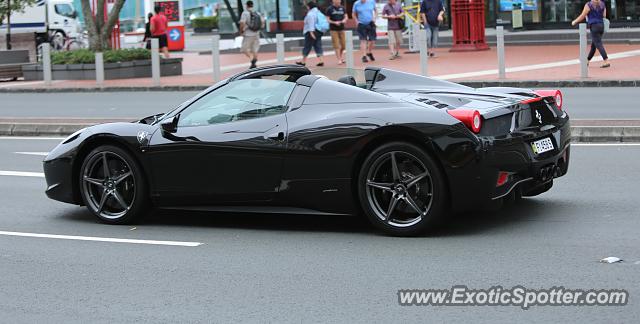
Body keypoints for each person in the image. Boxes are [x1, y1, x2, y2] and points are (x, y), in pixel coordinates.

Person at [572, 0, 610, 68]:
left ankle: (606, 60)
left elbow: (582, 15)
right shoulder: (602, 4)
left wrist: (575, 21)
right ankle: (587, 60)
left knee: (598, 43)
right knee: (594, 45)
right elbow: (604, 16)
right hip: (601, 26)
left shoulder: (589, 5)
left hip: (594, 26)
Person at [296, 2, 325, 67]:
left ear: (309, 7)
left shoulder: (310, 14)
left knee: (307, 46)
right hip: (318, 31)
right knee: (318, 46)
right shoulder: (318, 12)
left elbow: (311, 24)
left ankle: (303, 61)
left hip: (310, 32)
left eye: (307, 6)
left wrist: (311, 33)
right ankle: (321, 60)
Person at [239, 1, 263, 69]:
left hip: (248, 34)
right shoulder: (257, 13)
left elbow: (242, 23)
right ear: (252, 5)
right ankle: (254, 63)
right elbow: (262, 23)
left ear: (246, 5)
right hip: (257, 34)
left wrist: (241, 31)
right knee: (254, 49)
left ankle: (252, 60)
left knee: (244, 49)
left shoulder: (245, 13)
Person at [326, 0, 348, 64]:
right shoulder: (329, 9)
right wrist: (334, 22)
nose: (338, 3)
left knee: (344, 45)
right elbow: (327, 19)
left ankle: (340, 56)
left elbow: (346, 16)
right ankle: (339, 59)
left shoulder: (342, 8)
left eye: (339, 2)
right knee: (336, 45)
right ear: (333, 1)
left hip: (341, 28)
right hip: (333, 29)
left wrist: (344, 20)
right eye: (337, 2)